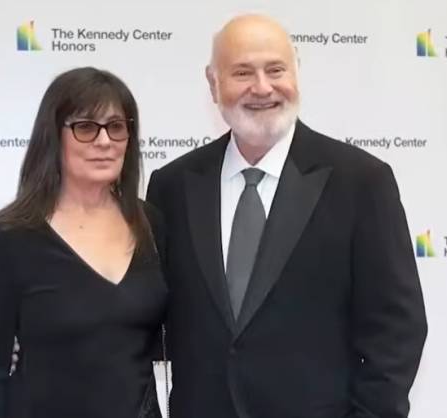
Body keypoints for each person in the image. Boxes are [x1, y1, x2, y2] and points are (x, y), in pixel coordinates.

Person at [145, 14, 427, 418]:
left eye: (276, 70)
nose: (262, 87)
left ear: (296, 72)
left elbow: (397, 330)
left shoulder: (361, 182)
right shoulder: (172, 187)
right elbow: (146, 315)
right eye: (243, 72)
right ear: (213, 83)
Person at [0, 67, 166, 418]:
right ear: (53, 136)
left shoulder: (151, 223)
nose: (104, 141)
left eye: (116, 127)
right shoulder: (10, 237)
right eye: (86, 127)